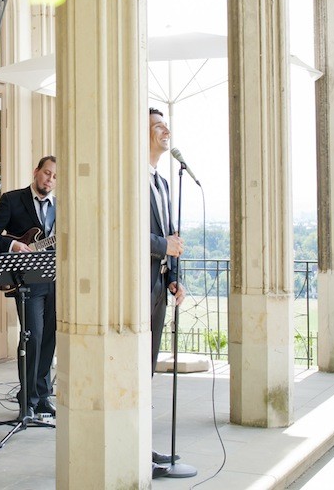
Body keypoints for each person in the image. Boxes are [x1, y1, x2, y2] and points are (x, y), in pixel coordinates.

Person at [0, 156, 57, 418]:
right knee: (32, 337)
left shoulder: (60, 207)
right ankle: (28, 400)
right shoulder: (13, 200)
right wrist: (13, 246)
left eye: (55, 177)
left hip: (53, 279)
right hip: (25, 281)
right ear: (36, 172)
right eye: (47, 173)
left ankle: (43, 395)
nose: (50, 179)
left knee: (49, 339)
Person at [149, 108, 186, 476]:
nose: (166, 131)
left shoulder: (162, 182)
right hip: (137, 290)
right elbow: (123, 230)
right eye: (158, 126)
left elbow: (171, 235)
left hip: (159, 286)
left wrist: (174, 275)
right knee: (135, 369)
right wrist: (163, 245)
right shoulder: (133, 179)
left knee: (147, 371)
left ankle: (145, 445)